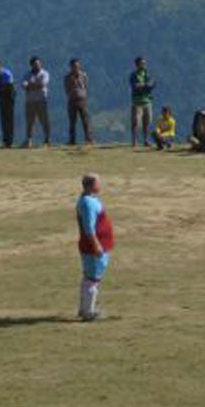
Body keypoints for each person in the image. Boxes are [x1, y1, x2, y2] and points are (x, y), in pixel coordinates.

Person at [74, 172, 115, 321]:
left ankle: (84, 308)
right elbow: (89, 228)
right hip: (94, 248)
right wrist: (96, 245)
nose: (101, 185)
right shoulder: (87, 203)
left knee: (89, 279)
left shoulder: (90, 200)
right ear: (92, 185)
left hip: (96, 246)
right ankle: (88, 312)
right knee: (92, 279)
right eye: (98, 182)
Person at [21, 57, 52, 146]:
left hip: (42, 100)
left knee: (45, 120)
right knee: (29, 121)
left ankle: (47, 139)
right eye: (35, 64)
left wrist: (30, 86)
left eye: (38, 64)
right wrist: (35, 85)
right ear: (31, 65)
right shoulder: (27, 74)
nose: (37, 65)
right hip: (30, 101)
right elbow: (23, 86)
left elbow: (43, 84)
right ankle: (28, 139)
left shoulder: (44, 73)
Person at [128, 57, 155, 149]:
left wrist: (143, 85)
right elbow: (135, 86)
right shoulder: (133, 75)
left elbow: (152, 84)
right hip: (137, 102)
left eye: (145, 63)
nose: (144, 65)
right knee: (136, 122)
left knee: (147, 122)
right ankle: (134, 141)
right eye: (142, 63)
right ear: (137, 64)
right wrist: (145, 86)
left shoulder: (147, 74)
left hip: (147, 101)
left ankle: (146, 140)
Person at [64, 58, 92, 148]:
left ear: (79, 66)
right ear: (70, 67)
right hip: (72, 100)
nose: (75, 67)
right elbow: (66, 89)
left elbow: (86, 86)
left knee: (86, 121)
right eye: (73, 66)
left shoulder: (83, 75)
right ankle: (72, 141)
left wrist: (83, 94)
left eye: (77, 65)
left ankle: (89, 139)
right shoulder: (67, 77)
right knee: (72, 122)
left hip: (82, 100)